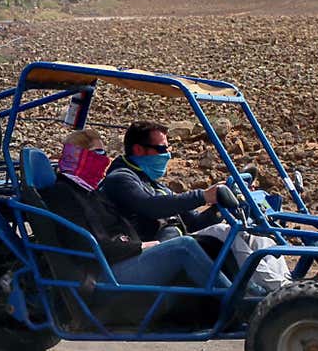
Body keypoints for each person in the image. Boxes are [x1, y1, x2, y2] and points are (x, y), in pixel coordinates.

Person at [90, 121, 223, 288]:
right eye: (162, 149)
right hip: (134, 256)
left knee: (226, 232)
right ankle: (240, 302)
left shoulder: (155, 184)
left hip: (162, 246)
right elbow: (151, 207)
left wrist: (220, 209)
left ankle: (260, 293)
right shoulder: (120, 179)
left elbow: (194, 222)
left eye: (168, 148)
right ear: (138, 150)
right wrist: (203, 196)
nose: (167, 154)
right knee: (185, 246)